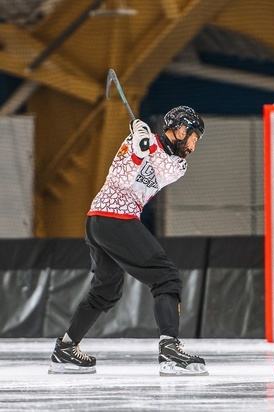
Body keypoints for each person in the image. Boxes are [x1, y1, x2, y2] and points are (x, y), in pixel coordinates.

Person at [48, 106, 208, 376]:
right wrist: (135, 147)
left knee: (105, 290)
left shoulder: (178, 165)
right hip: (112, 218)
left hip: (104, 222)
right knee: (167, 277)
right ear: (181, 129)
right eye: (194, 137)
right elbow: (119, 180)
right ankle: (169, 347)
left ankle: (65, 349)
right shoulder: (135, 142)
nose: (194, 144)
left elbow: (162, 169)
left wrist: (143, 146)